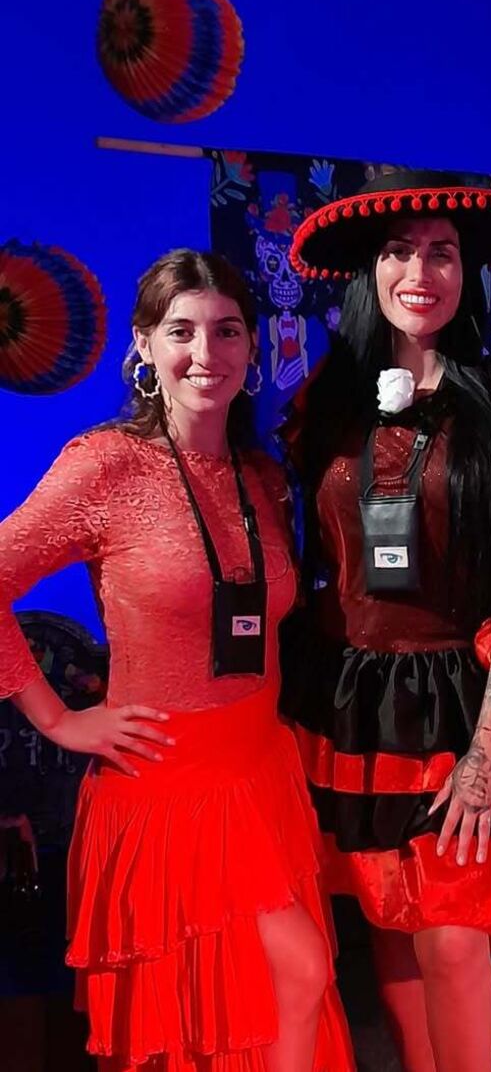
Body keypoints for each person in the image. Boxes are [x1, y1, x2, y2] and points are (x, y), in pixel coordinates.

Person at [0, 250, 355, 1072]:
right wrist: (58, 719)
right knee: (294, 974)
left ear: (252, 346)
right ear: (144, 345)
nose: (205, 353)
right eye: (182, 331)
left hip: (260, 774)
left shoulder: (261, 476)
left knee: (245, 1010)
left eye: (226, 331)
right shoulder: (104, 466)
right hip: (165, 787)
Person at [280, 170, 491, 1072]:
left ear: (467, 272)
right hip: (352, 696)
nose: (420, 272)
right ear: (370, 272)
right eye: (398, 252)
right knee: (388, 915)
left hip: (466, 697)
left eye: (442, 253)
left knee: (453, 937)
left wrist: (489, 749)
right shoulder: (327, 401)